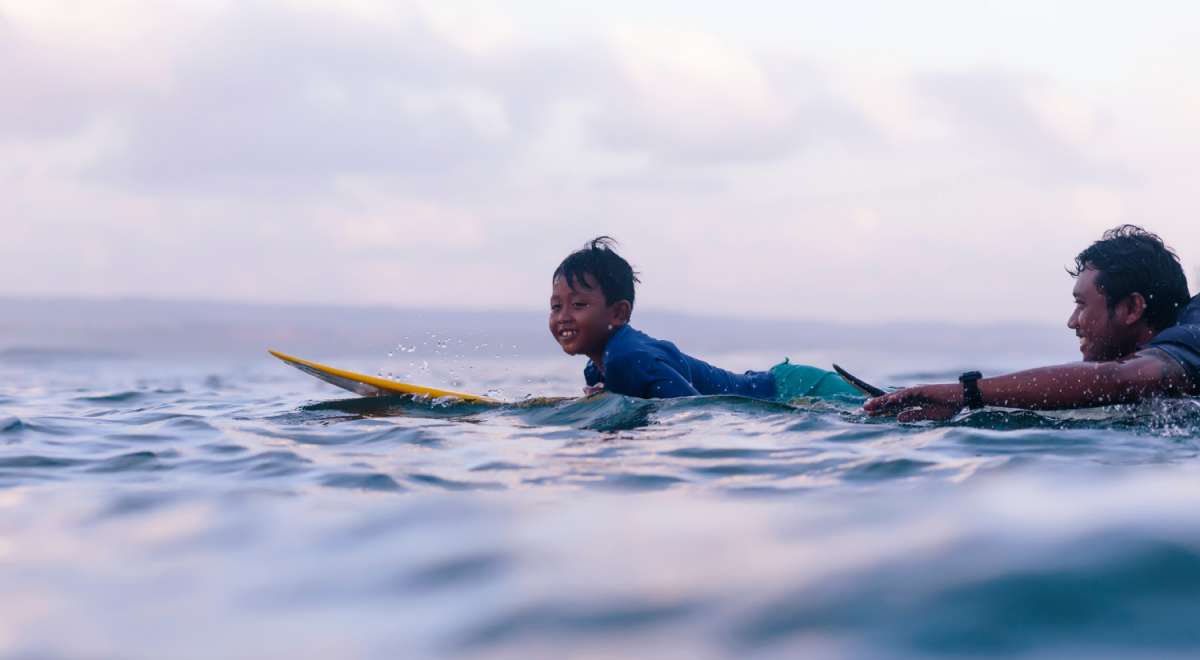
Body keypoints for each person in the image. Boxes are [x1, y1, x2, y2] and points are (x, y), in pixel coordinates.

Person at [864, 225, 1200, 421]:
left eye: (1081, 305)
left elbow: (1117, 379)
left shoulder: (1194, 331)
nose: (1073, 322)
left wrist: (965, 394)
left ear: (1132, 308)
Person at [549, 237, 860, 401]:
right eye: (555, 306)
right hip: (782, 384)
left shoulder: (626, 358)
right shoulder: (598, 367)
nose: (563, 317)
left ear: (619, 312)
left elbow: (696, 410)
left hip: (797, 390)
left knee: (890, 408)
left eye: (577, 304)